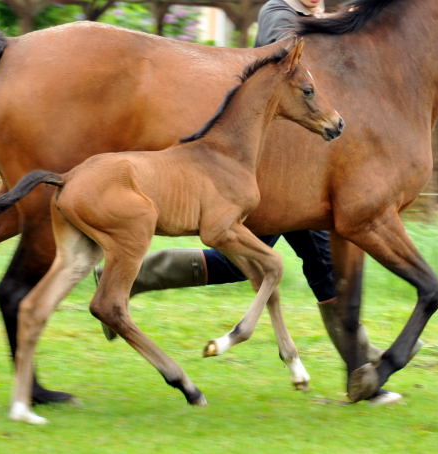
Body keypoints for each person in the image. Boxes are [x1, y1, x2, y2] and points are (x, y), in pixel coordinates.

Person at [97, 0, 419, 376]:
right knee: (285, 262)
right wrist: (335, 27)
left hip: (299, 171)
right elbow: (282, 58)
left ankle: (360, 362)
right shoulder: (277, 11)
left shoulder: (312, 18)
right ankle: (360, 364)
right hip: (273, 173)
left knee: (282, 262)